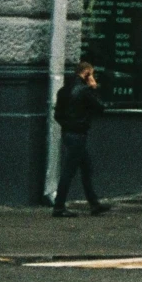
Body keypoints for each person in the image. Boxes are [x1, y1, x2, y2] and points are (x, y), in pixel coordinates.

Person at [52, 62, 111, 217]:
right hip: (78, 135)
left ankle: (94, 204)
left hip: (69, 133)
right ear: (86, 74)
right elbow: (100, 107)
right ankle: (58, 207)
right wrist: (94, 87)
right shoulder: (85, 91)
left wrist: (68, 126)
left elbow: (57, 115)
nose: (93, 76)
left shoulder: (63, 90)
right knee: (69, 171)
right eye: (91, 73)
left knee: (86, 168)